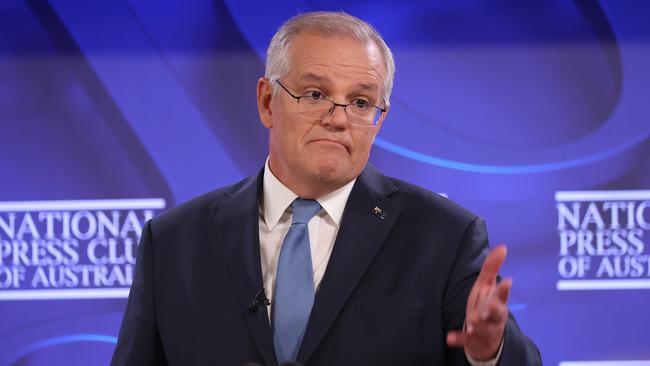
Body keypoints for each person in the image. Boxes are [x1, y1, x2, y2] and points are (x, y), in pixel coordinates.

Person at [111, 11, 541, 366]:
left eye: (360, 102)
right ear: (266, 102)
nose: (338, 118)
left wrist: (489, 353)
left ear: (380, 119)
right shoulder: (172, 243)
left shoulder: (443, 237)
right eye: (315, 93)